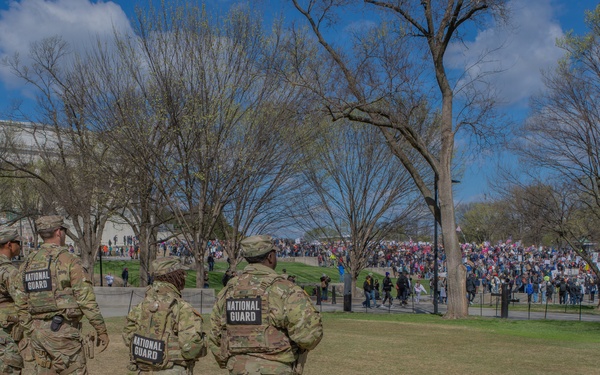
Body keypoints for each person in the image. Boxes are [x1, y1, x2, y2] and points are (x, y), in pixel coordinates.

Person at [209, 235, 323, 374]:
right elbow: (309, 335)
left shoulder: (228, 291)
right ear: (270, 257)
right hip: (277, 368)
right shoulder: (284, 289)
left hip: (238, 369)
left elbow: (215, 336)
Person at [16, 215, 109, 374]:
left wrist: (31, 329)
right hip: (64, 334)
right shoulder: (70, 260)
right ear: (59, 232)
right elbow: (86, 300)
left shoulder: (27, 263)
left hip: (38, 334)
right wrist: (101, 330)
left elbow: (20, 302)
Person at [123, 257, 206, 374]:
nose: (184, 277)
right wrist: (202, 343)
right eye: (181, 274)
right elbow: (190, 350)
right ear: (175, 277)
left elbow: (128, 337)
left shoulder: (141, 305)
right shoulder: (182, 308)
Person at [0, 227, 25, 374]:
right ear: (9, 244)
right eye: (18, 243)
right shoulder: (9, 271)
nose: (20, 246)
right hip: (6, 334)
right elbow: (23, 301)